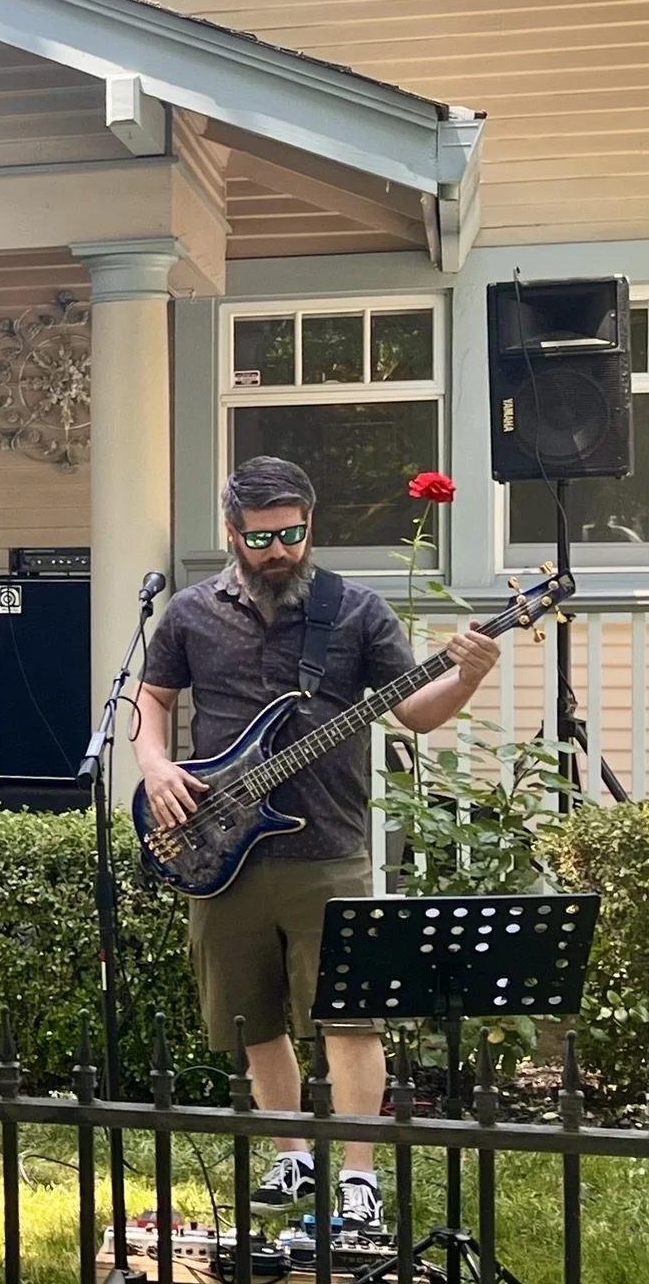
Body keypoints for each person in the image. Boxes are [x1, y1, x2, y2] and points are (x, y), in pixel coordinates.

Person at [133, 457, 500, 1229]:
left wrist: (465, 677)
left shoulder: (357, 611)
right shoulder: (191, 615)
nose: (279, 551)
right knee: (252, 1017)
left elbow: (417, 713)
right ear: (232, 534)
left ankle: (359, 1181)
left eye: (292, 533)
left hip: (329, 845)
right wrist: (157, 765)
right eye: (261, 537)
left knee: (351, 1018)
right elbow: (153, 699)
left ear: (311, 525)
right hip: (221, 846)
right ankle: (293, 1158)